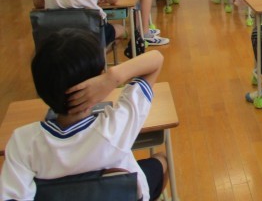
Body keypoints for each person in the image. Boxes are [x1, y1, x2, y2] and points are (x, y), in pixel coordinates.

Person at [0, 29, 166, 201]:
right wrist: (112, 78)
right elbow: (156, 60)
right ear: (96, 81)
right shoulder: (115, 127)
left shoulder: (22, 143)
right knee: (161, 160)